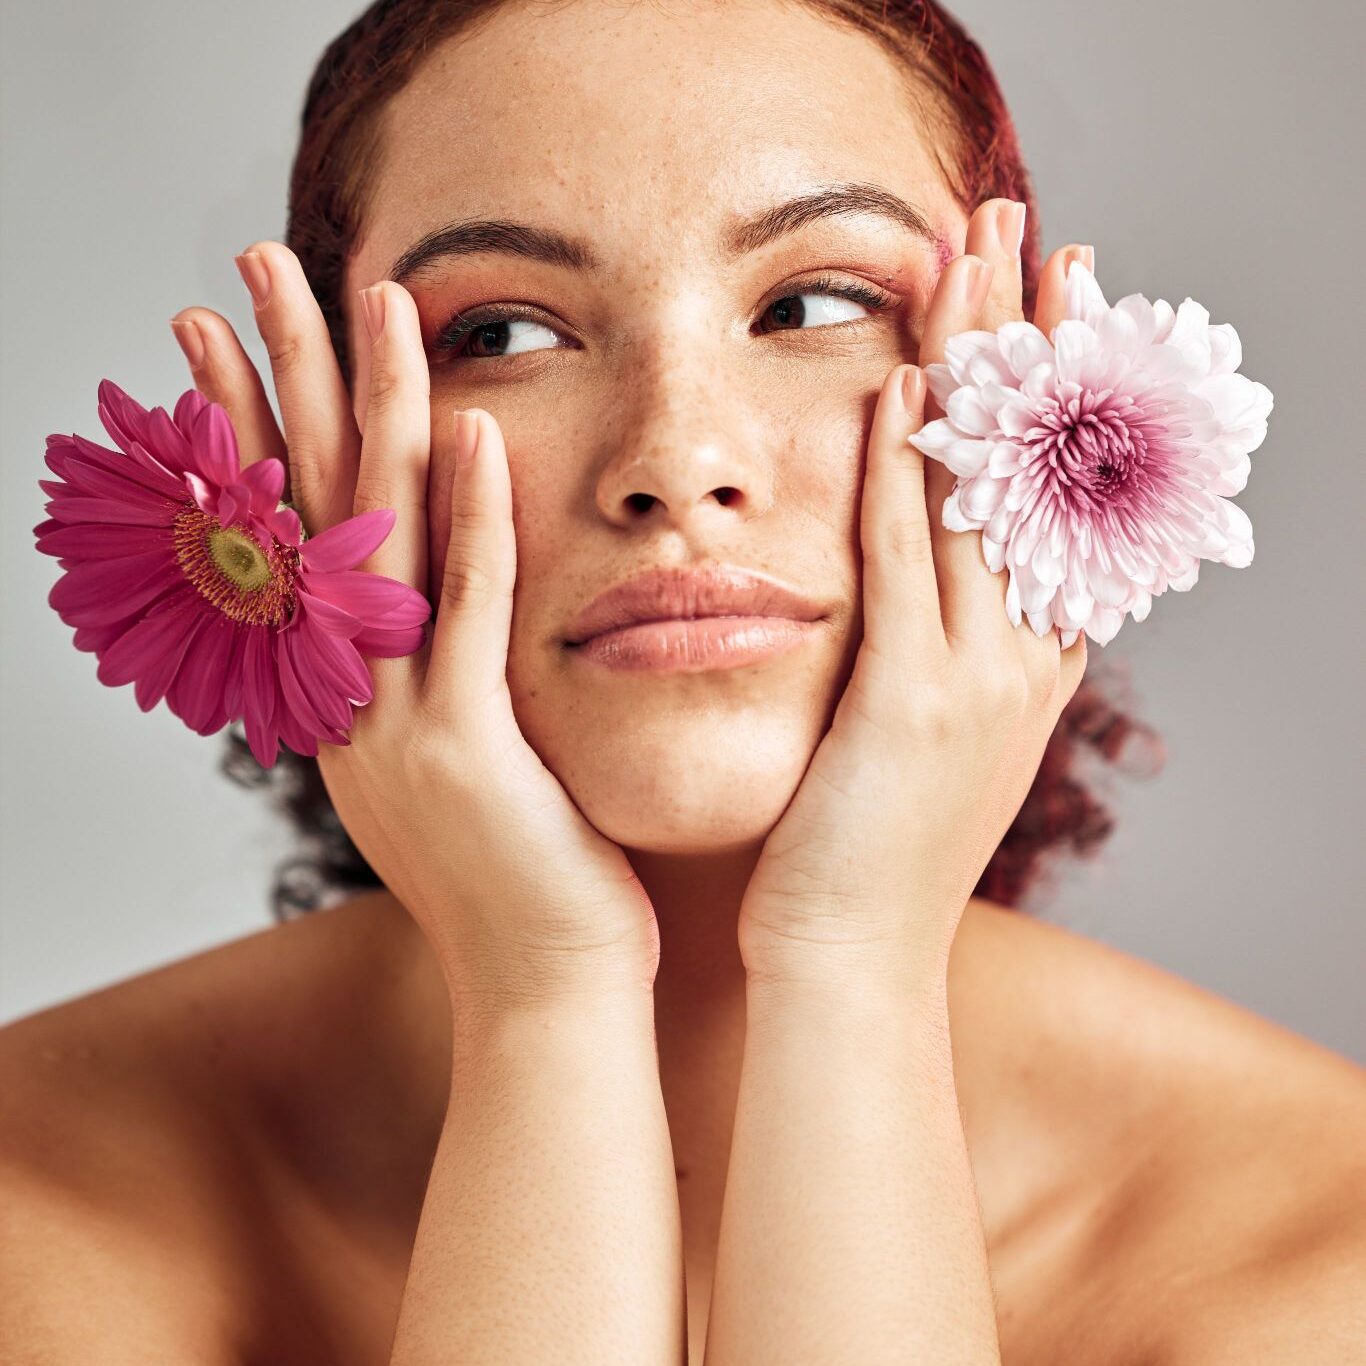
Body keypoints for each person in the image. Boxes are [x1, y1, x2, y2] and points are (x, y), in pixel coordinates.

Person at [4, 1, 1363, 1361]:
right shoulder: (36, 1211)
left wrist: (852, 969)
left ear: (1036, 376)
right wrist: (544, 994)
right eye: (504, 333)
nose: (675, 456)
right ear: (320, 445)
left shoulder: (1321, 1250)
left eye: (814, 305)